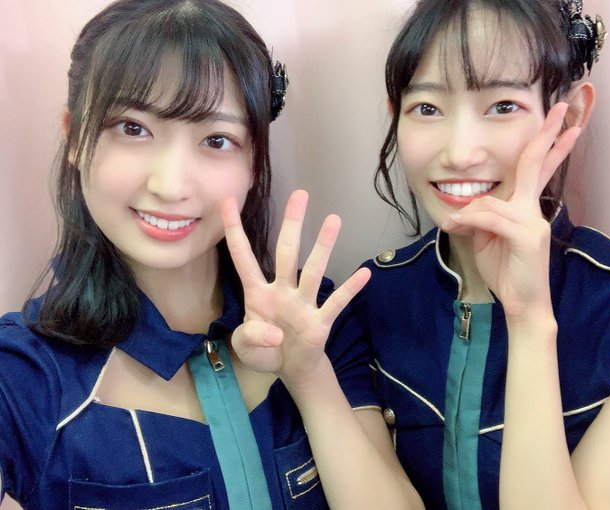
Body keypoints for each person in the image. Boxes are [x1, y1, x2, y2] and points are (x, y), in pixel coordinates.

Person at [0, 1, 423, 509]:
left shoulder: (316, 317)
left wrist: (310, 378)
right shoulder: (22, 372)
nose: (171, 184)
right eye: (132, 128)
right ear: (73, 136)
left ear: (254, 161)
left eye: (216, 139)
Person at [338, 0, 610, 508]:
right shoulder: (371, 297)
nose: (460, 153)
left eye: (502, 106)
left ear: (569, 116)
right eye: (426, 108)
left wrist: (529, 320)